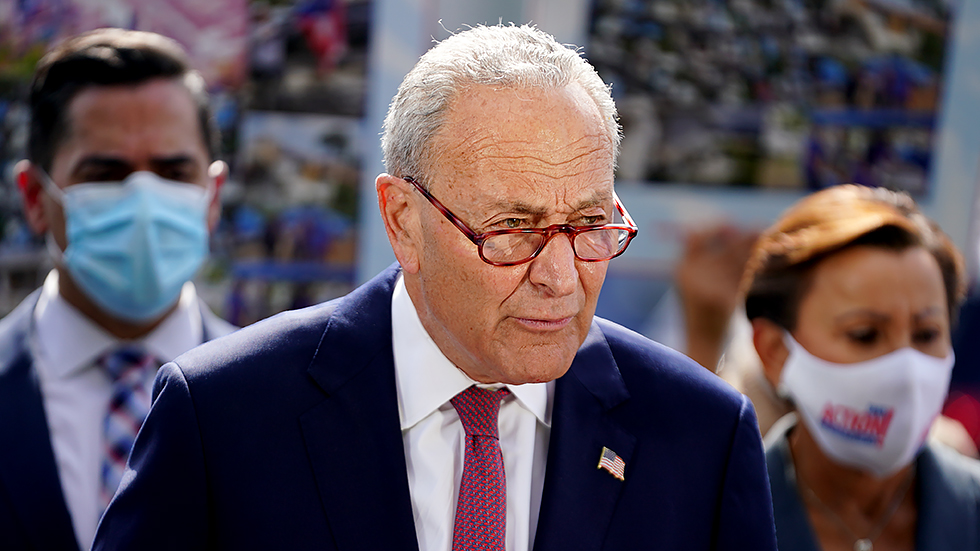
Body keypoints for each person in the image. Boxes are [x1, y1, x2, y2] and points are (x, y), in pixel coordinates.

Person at [93, 24, 777, 550]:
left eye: (591, 223)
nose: (560, 277)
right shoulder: (223, 416)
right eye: (513, 227)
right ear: (402, 221)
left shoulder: (702, 436)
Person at [0, 29, 235, 551]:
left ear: (212, 194)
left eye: (174, 172)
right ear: (36, 197)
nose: (144, 200)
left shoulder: (282, 402)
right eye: (106, 174)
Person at [744, 184, 980, 550]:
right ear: (774, 350)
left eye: (926, 334)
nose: (906, 369)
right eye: (865, 335)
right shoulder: (712, 516)